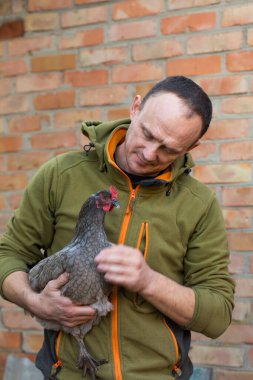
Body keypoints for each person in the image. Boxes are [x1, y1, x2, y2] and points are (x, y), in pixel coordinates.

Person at [0, 76, 234, 380]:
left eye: (169, 149)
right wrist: (35, 302)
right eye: (148, 134)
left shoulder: (198, 204)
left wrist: (149, 282)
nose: (150, 154)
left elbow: (217, 315)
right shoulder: (61, 175)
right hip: (70, 373)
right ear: (136, 107)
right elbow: (9, 255)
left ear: (193, 146)